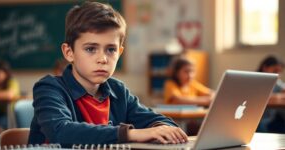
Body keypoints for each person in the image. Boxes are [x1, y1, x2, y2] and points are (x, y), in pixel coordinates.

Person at [28, 1, 188, 148]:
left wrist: (161, 130)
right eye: (91, 49)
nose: (103, 59)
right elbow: (60, 132)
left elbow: (162, 122)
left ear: (119, 53)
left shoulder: (117, 90)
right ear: (69, 52)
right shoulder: (49, 88)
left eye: (111, 50)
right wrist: (130, 134)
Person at [257, 55, 285, 133]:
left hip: (272, 119)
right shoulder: (256, 81)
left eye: (280, 72)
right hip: (260, 120)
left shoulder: (276, 82)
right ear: (265, 67)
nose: (278, 74)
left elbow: (283, 88)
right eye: (275, 71)